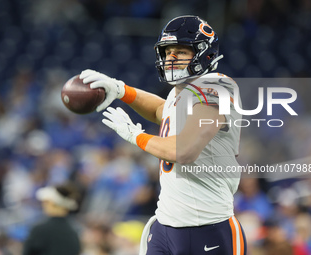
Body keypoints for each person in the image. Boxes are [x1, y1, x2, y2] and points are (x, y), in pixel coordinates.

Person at [80, 15, 246, 255]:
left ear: (204, 53)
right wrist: (121, 90)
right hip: (165, 225)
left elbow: (185, 151)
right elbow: (162, 110)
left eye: (181, 51)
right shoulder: (183, 92)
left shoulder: (216, 87)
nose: (171, 58)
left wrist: (136, 136)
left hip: (208, 226)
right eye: (168, 52)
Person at [22, 182, 81, 255]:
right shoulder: (75, 232)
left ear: (53, 203)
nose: (43, 205)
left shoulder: (40, 230)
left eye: (46, 202)